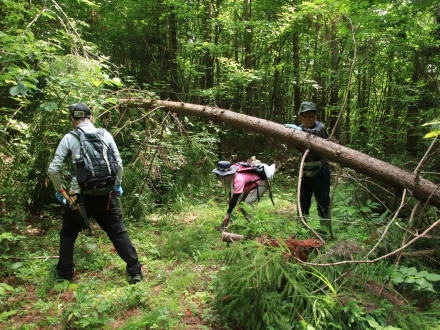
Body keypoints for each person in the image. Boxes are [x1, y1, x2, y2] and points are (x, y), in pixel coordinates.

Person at [48, 103, 143, 284]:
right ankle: (134, 271)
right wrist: (117, 185)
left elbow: (54, 169)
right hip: (106, 194)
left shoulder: (69, 138)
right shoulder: (105, 134)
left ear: (72, 120)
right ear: (91, 117)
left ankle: (64, 275)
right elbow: (119, 164)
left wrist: (59, 189)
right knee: (117, 232)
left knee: (68, 234)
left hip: (78, 196)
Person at [284, 101, 330, 229]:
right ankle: (301, 228)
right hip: (306, 169)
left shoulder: (320, 127)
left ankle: (325, 229)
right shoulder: (297, 129)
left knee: (323, 201)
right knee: (303, 201)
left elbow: (315, 134)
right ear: (300, 116)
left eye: (313, 116)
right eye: (307, 116)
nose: (310, 119)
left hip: (321, 169)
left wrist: (300, 131)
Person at [213, 160, 269, 229]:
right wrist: (230, 199)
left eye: (222, 175)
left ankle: (255, 226)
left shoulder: (238, 179)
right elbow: (232, 192)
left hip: (261, 184)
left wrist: (227, 215)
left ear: (227, 173)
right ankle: (251, 223)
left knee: (247, 203)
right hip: (249, 185)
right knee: (242, 205)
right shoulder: (231, 176)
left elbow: (235, 199)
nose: (220, 177)